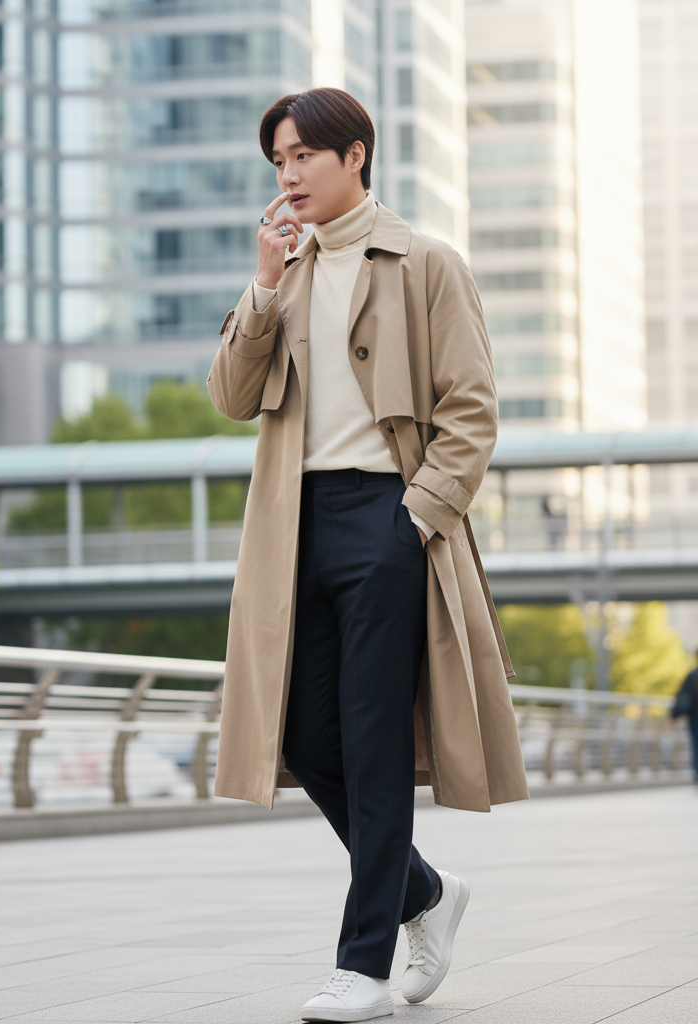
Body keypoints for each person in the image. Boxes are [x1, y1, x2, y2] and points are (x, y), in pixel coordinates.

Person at [207, 88, 529, 1023]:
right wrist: (263, 286)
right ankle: (427, 892)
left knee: (376, 740)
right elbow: (231, 395)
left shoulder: (427, 263)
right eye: (278, 162)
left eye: (305, 155)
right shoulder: (288, 271)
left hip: (388, 519)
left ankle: (363, 966)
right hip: (292, 527)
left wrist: (418, 517)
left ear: (356, 156)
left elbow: (471, 411)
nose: (289, 175)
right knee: (306, 738)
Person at [671, 656, 698, 784]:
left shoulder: (693, 676)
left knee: (696, 747)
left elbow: (683, 697)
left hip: (695, 720)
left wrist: (674, 715)